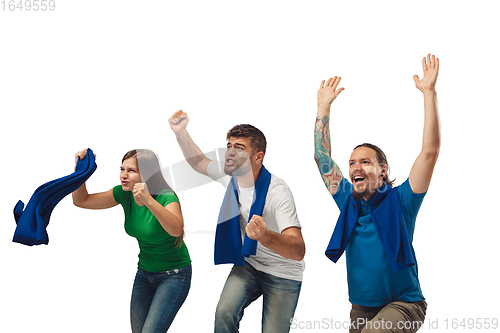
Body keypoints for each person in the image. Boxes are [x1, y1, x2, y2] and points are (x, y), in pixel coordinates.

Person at [314, 54, 440, 333]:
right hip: (360, 306)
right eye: (351, 163)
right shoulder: (347, 200)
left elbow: (429, 154)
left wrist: (428, 93)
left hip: (404, 303)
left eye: (365, 162)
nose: (355, 167)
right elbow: (321, 156)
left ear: (383, 170)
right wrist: (323, 106)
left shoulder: (403, 199)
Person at [169, 112, 305, 333]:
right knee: (224, 312)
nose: (230, 152)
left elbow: (298, 250)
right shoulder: (231, 175)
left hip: (283, 271)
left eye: (239, 148)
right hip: (250, 264)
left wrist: (265, 236)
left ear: (258, 157)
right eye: (229, 145)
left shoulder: (278, 192)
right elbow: (198, 162)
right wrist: (181, 133)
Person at [72, 148, 192, 333]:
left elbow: (176, 230)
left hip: (174, 275)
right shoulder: (123, 193)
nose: (124, 175)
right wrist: (80, 172)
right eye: (122, 169)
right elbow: (82, 200)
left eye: (131, 171)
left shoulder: (165, 196)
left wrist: (148, 201)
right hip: (144, 274)